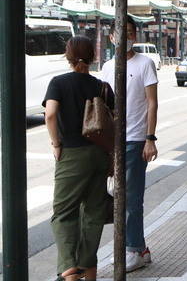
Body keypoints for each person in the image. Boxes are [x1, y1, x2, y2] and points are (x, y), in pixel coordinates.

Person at [45, 35, 114, 281]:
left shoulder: (59, 83)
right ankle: (88, 269)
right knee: (94, 213)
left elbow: (51, 114)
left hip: (72, 154)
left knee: (64, 212)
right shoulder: (101, 86)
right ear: (93, 56)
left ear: (68, 56)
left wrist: (56, 144)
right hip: (99, 154)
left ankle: (69, 270)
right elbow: (113, 122)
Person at [100, 16, 159, 272]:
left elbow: (152, 103)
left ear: (135, 35)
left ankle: (132, 249)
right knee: (117, 196)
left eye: (130, 31)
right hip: (114, 140)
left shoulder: (145, 63)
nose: (125, 36)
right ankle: (141, 248)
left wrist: (150, 138)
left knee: (132, 198)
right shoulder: (106, 66)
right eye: (120, 32)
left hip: (136, 140)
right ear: (111, 38)